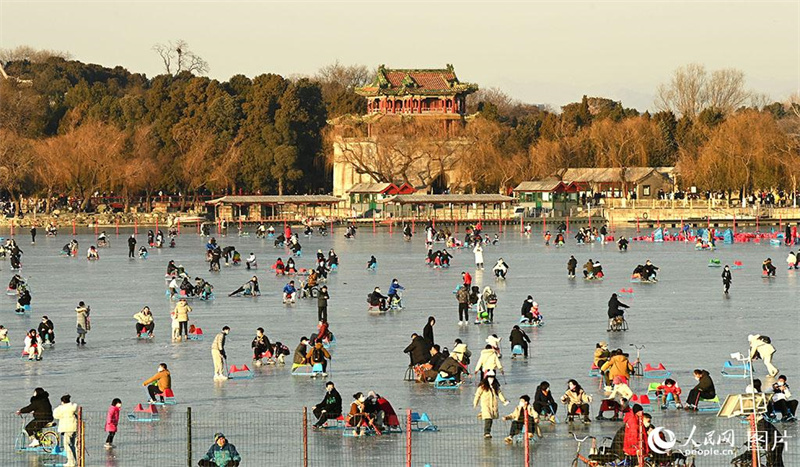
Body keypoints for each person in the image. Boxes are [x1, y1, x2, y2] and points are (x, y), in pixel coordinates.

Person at [473, 370, 509, 438]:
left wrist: (504, 401)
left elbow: (499, 394)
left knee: (491, 419)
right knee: (488, 417)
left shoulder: (495, 386)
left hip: (493, 404)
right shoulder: (482, 386)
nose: (491, 379)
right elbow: (477, 395)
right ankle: (486, 433)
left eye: (492, 377)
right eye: (490, 377)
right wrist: (475, 403)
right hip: (485, 404)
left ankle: (488, 431)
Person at [53, 394, 78, 466]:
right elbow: (77, 410)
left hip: (66, 428)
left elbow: (55, 415)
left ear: (62, 401)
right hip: (74, 427)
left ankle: (71, 462)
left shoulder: (61, 408)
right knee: (73, 445)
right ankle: (75, 461)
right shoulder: (73, 407)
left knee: (67, 445)